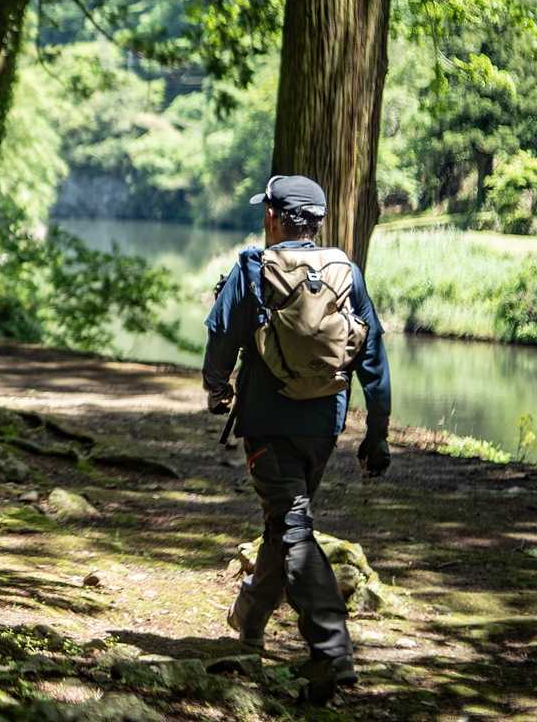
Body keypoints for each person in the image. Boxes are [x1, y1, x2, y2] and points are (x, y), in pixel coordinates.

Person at [202, 174, 391, 705]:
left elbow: (221, 335)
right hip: (324, 426)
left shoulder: (252, 269)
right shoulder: (346, 271)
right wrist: (376, 435)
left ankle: (332, 651)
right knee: (287, 523)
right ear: (319, 222)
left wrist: (217, 387)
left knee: (292, 528)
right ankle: (249, 618)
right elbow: (373, 356)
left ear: (272, 216)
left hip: (268, 423)